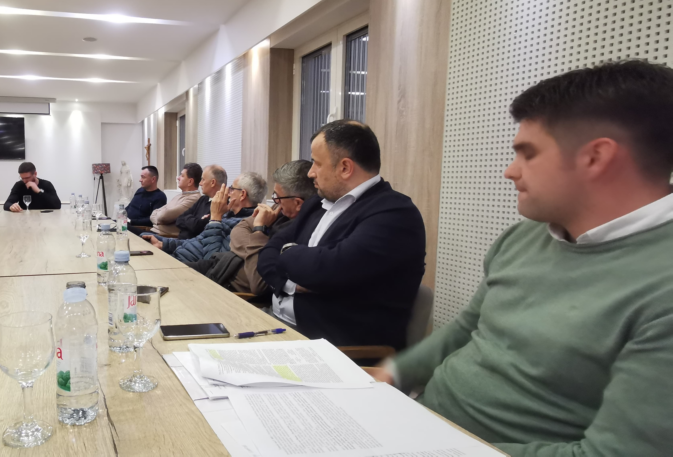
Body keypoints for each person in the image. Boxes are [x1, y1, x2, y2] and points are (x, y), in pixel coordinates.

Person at [369, 61, 673, 456]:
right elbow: (466, 328)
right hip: (418, 425)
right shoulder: (525, 236)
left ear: (596, 157)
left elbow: (613, 453)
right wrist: (393, 373)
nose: (510, 172)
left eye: (527, 154)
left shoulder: (661, 288)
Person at [257, 120, 426, 351]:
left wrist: (287, 251)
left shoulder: (395, 214)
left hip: (334, 348)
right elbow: (267, 254)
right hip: (278, 323)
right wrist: (292, 284)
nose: (310, 173)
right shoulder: (317, 204)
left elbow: (324, 270)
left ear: (345, 167)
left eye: (316, 163)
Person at [228, 160, 317, 295]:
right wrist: (254, 253)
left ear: (298, 203)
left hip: (235, 287)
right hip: (226, 268)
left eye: (278, 197)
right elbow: (240, 228)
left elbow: (260, 282)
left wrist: (259, 230)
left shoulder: (304, 231)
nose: (275, 201)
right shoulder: (280, 209)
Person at [149, 172, 263, 263]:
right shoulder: (227, 214)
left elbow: (212, 259)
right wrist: (164, 244)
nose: (228, 193)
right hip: (178, 254)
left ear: (242, 195)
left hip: (187, 266)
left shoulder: (243, 226)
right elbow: (197, 241)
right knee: (144, 238)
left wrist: (215, 219)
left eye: (232, 189)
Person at [145, 163, 202, 236]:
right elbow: (153, 214)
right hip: (154, 232)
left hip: (165, 236)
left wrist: (158, 217)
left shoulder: (194, 199)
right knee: (131, 230)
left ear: (190, 182)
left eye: (182, 176)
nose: (178, 178)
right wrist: (159, 219)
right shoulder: (179, 195)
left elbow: (163, 216)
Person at [170, 164, 225, 239]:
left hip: (192, 244)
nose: (200, 183)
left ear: (212, 183)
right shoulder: (202, 199)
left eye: (203, 180)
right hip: (180, 242)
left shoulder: (222, 205)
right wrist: (196, 221)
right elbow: (179, 219)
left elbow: (199, 228)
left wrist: (190, 220)